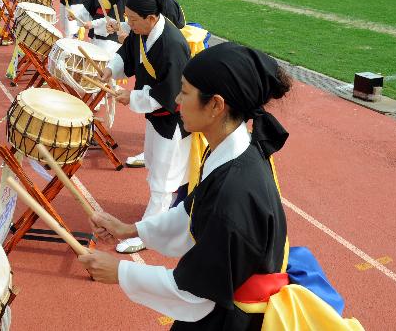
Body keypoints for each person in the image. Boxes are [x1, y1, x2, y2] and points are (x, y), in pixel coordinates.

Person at [80, 42, 292, 329]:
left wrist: (121, 272)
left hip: (229, 317)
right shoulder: (231, 148)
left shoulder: (234, 191)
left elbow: (196, 291)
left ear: (216, 105)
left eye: (185, 91)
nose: (177, 100)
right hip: (221, 298)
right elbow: (192, 212)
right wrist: (129, 229)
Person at [98, 0, 191, 254]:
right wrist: (109, 69)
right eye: (127, 18)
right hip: (155, 116)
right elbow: (126, 54)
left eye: (133, 20)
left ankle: (150, 232)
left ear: (152, 18)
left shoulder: (173, 45)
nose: (129, 24)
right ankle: (166, 210)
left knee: (164, 176)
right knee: (154, 163)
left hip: (173, 120)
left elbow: (172, 94)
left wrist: (133, 98)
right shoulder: (142, 31)